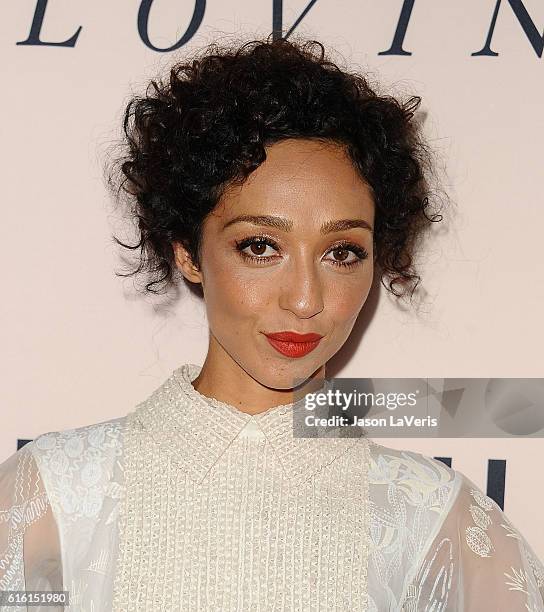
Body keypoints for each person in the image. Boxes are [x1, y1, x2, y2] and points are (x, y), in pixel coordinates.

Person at [1, 35, 543, 612]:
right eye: (261, 246)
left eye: (342, 252)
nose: (306, 299)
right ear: (187, 250)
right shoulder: (53, 496)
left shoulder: (439, 524)